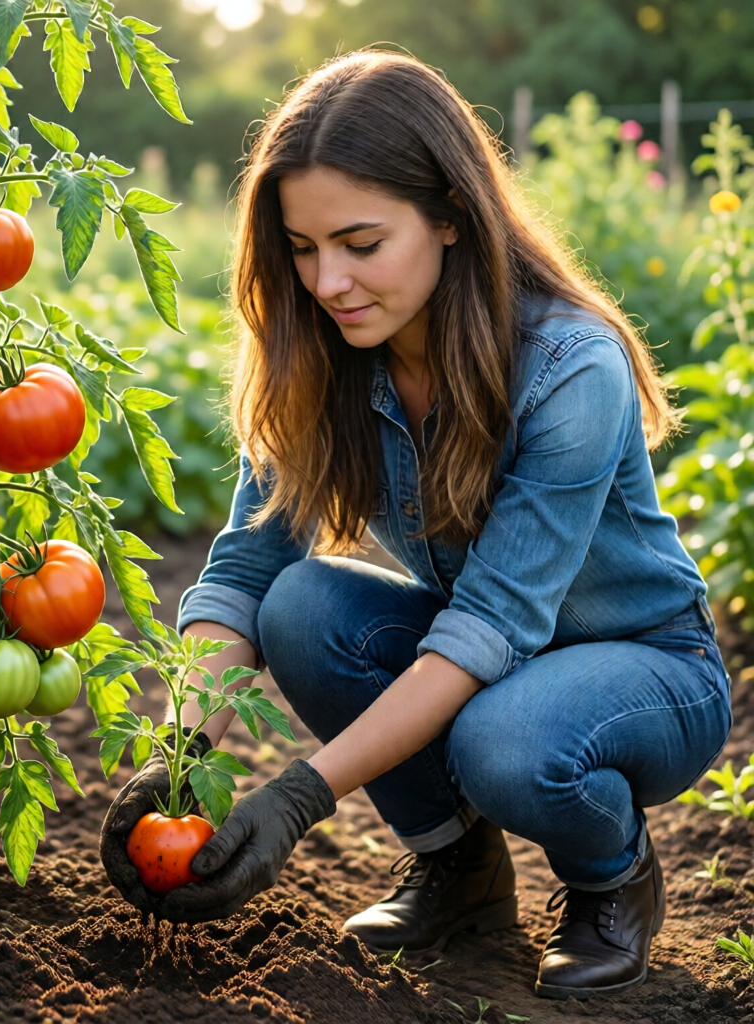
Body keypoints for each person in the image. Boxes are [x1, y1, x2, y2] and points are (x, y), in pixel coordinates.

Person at [99, 49, 732, 1001]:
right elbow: (243, 572)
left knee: (508, 741)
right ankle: (458, 871)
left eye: (360, 243)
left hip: (647, 671)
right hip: (487, 665)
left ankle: (614, 879)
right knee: (303, 607)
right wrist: (179, 756)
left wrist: (298, 799)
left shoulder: (569, 370)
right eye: (303, 249)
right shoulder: (322, 359)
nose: (327, 281)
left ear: (448, 217)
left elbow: (487, 634)